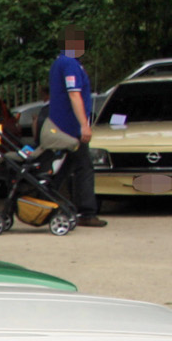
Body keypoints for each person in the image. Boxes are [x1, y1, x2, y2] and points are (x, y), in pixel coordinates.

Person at [41, 27, 104, 226]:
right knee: (84, 166)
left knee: (66, 166)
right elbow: (74, 94)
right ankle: (87, 212)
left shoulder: (62, 62)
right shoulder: (69, 64)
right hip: (69, 128)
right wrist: (84, 125)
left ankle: (42, 199)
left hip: (62, 126)